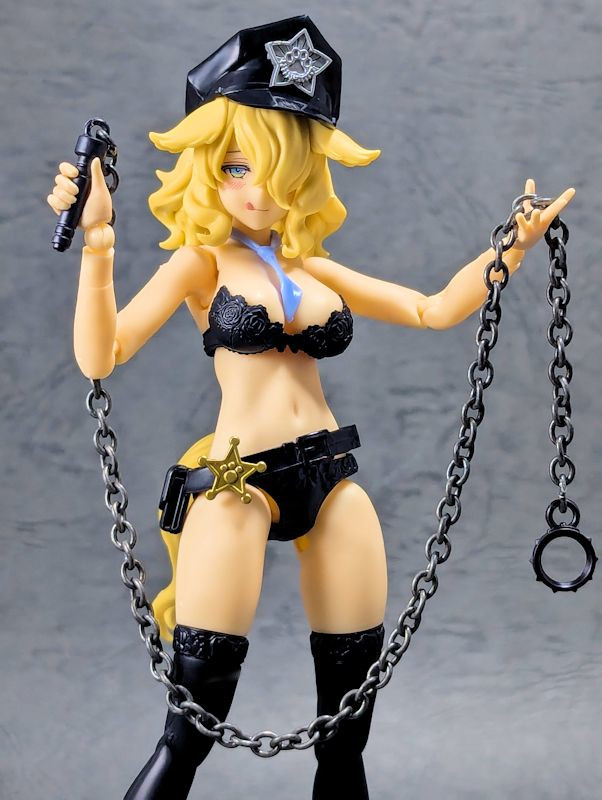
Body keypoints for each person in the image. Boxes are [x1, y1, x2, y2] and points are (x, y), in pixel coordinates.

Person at [47, 14, 574, 800]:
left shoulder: (313, 266)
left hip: (330, 478)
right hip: (236, 482)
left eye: (280, 168)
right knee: (190, 727)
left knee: (346, 729)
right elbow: (102, 355)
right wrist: (98, 243)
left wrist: (513, 248)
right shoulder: (200, 263)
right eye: (237, 167)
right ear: (208, 166)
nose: (259, 189)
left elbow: (431, 308)